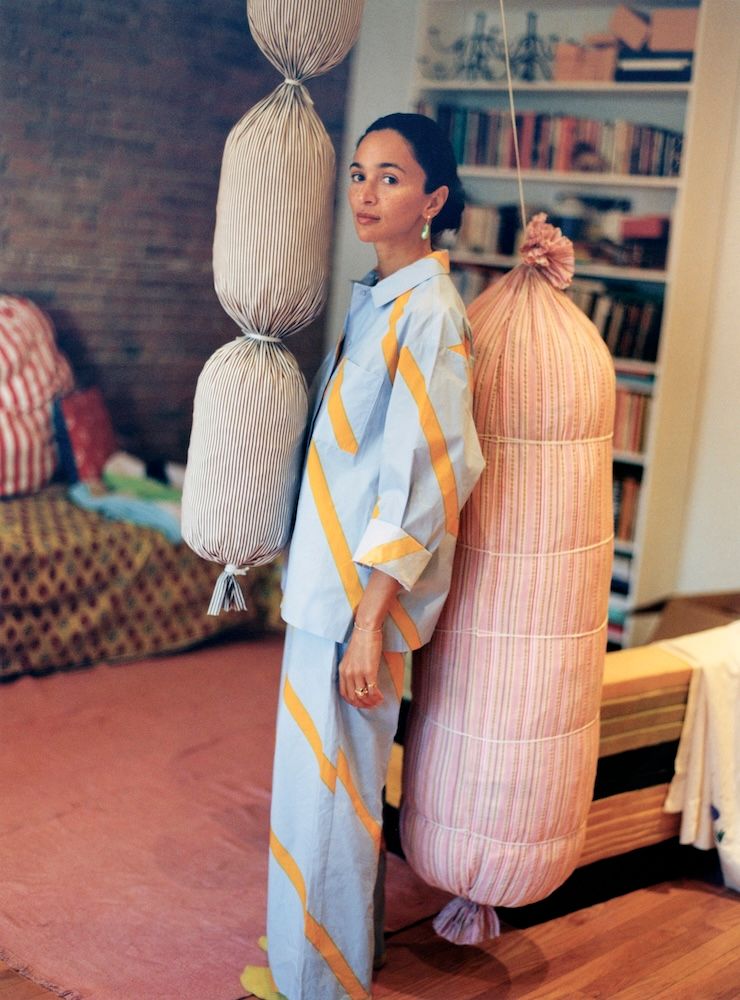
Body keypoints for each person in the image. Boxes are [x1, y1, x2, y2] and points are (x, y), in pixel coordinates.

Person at [244, 113, 485, 1000]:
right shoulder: (379, 296)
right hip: (326, 591)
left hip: (361, 604)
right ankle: (318, 958)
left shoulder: (432, 316)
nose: (366, 192)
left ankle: (322, 984)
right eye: (359, 173)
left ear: (434, 200)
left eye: (391, 177)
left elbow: (425, 479)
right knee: (316, 784)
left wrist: (369, 622)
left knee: (334, 795)